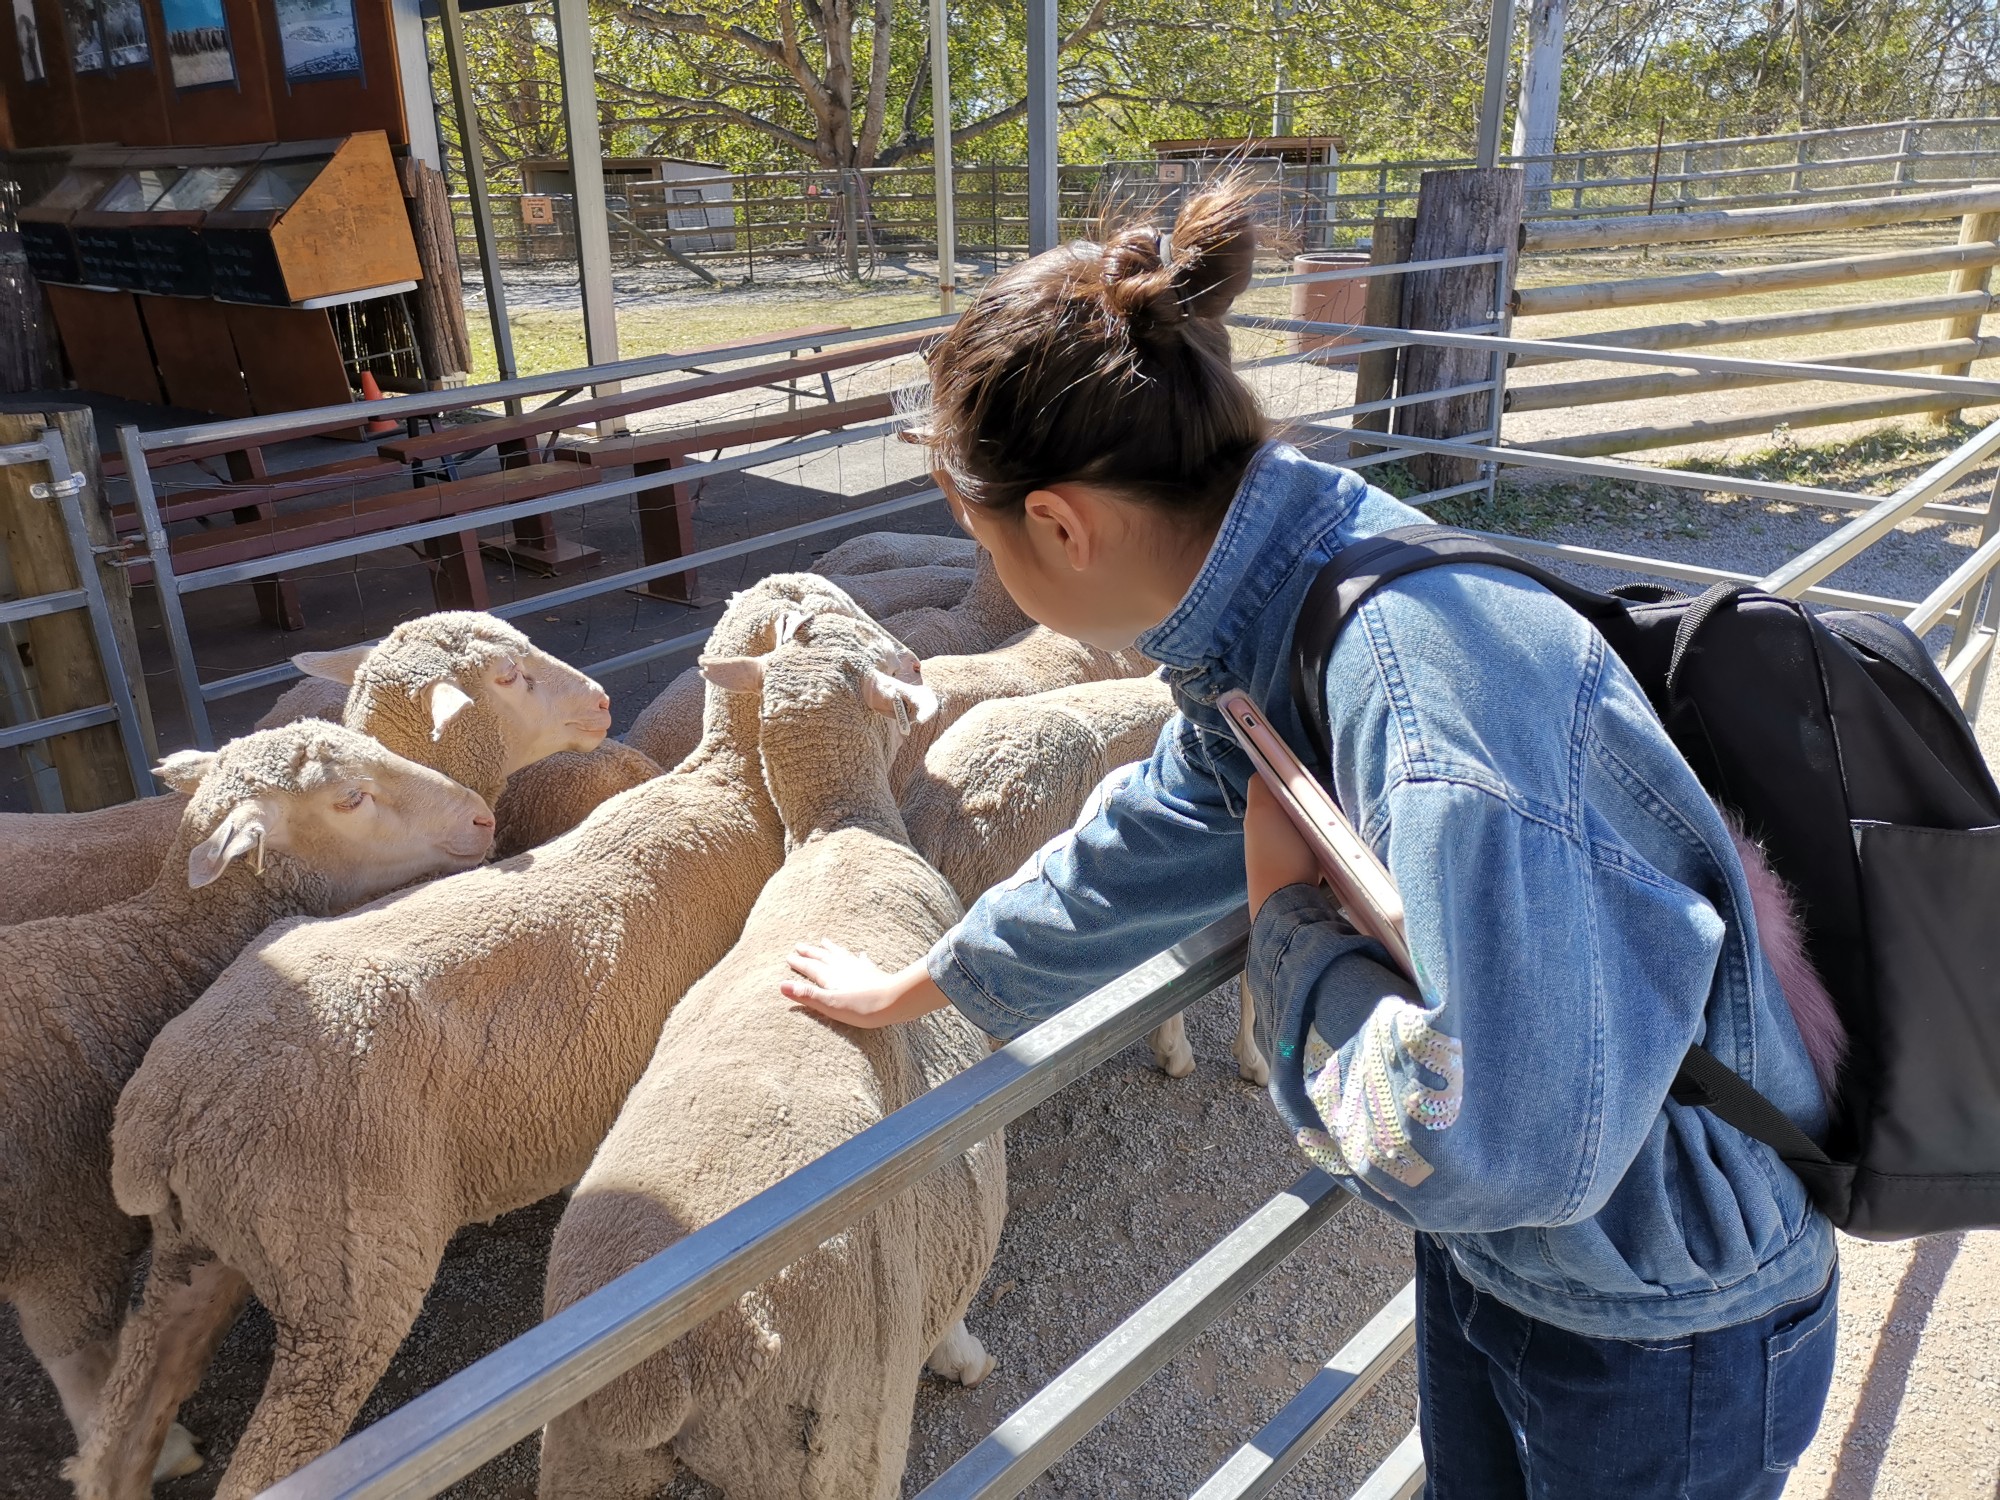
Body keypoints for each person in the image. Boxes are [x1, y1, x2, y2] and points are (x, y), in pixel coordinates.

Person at [782, 181, 1839, 1498]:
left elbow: (1507, 1145)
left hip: (1654, 1303)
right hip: (1540, 1260)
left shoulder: (1412, 678)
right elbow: (1184, 808)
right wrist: (941, 976)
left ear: (1056, 521)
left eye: (981, 538)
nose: (993, 577)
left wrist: (1286, 933)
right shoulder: (1283, 584)